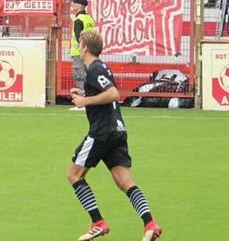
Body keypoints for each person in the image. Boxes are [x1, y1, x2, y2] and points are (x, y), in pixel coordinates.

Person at [67, 31, 162, 241]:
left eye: (79, 44)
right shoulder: (102, 67)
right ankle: (150, 224)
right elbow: (106, 93)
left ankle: (98, 223)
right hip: (117, 130)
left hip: (102, 133)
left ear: (85, 48)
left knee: (74, 175)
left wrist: (85, 102)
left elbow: (113, 94)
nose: (77, 47)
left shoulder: (95, 69)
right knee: (124, 182)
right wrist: (85, 96)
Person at [70, 0, 98, 111]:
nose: (73, 5)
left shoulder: (78, 20)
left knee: (79, 76)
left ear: (80, 5)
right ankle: (89, 101)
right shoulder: (89, 19)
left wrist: (81, 49)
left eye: (74, 3)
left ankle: (82, 103)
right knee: (87, 77)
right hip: (90, 52)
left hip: (79, 52)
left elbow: (78, 37)